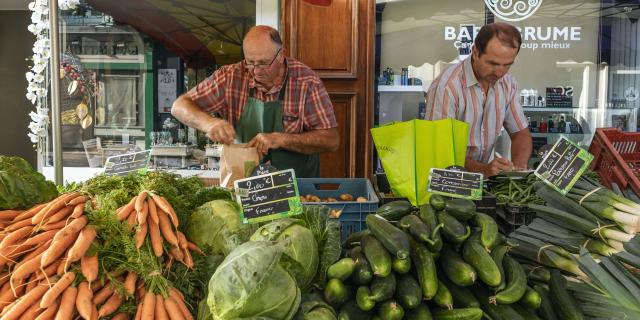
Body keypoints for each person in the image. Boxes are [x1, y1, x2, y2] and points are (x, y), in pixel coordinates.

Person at [171, 25, 339, 178]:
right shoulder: (230, 77)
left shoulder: (306, 82)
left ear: (282, 55)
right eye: (250, 62)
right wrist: (208, 123)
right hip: (246, 184)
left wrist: (280, 139)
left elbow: (330, 140)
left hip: (297, 186)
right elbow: (179, 106)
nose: (256, 71)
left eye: (264, 63)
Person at [424, 22, 532, 177]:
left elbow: (520, 133)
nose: (499, 72)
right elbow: (439, 148)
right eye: (492, 63)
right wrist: (483, 170)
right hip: (447, 180)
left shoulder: (508, 83)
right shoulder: (447, 86)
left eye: (507, 65)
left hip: (482, 183)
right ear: (475, 52)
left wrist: (519, 170)